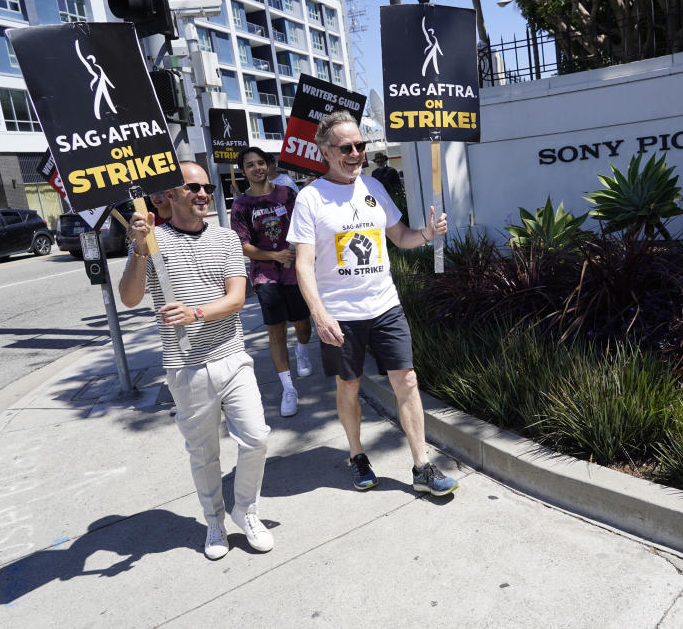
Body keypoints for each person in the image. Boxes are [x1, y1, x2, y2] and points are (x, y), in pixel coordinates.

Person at [288, 111, 458, 496]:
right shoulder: (311, 198)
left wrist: (427, 234)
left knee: (408, 381)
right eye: (346, 147)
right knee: (348, 387)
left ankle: (422, 465)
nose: (355, 154)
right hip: (340, 315)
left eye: (360, 146)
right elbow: (303, 265)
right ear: (325, 151)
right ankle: (357, 454)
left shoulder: (373, 189)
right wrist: (318, 313)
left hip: (385, 307)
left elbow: (401, 237)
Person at [118, 161, 274, 560]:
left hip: (231, 356)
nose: (204, 194)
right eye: (193, 187)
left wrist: (196, 313)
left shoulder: (225, 238)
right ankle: (214, 522)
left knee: (256, 437)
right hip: (185, 366)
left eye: (207, 187)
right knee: (203, 453)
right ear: (169, 195)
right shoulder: (151, 241)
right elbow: (130, 297)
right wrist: (139, 248)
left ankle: (246, 510)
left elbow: (237, 299)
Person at [231, 146, 313, 417]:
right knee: (276, 331)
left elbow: (303, 225)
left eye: (260, 163)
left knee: (302, 324)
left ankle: (302, 349)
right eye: (250, 165)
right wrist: (273, 255)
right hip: (265, 274)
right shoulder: (241, 205)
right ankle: (288, 389)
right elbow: (243, 245)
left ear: (268, 165)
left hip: (293, 270)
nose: (257, 168)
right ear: (243, 171)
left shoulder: (287, 194)